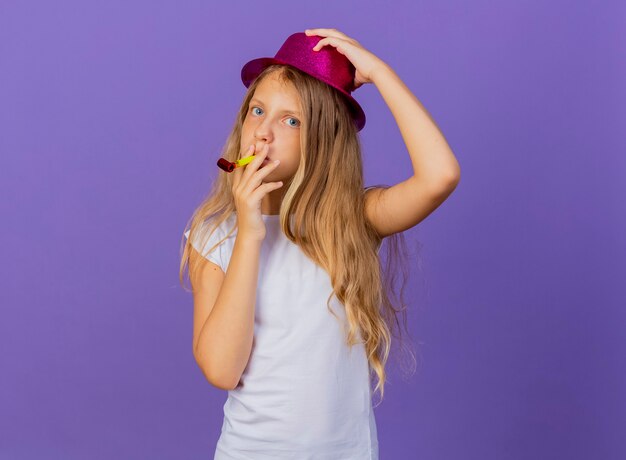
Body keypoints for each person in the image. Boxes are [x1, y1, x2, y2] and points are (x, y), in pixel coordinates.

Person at [180, 29, 460, 460]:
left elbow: (440, 176)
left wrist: (381, 74)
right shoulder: (213, 235)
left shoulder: (352, 221)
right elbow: (221, 369)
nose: (264, 132)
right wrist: (250, 233)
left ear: (324, 141)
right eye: (258, 111)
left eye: (291, 120)